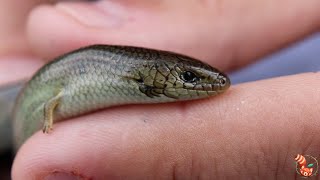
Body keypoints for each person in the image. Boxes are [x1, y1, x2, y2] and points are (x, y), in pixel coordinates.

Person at [0, 0, 319, 179]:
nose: (204, 84)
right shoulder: (121, 75)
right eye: (189, 77)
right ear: (150, 77)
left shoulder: (134, 77)